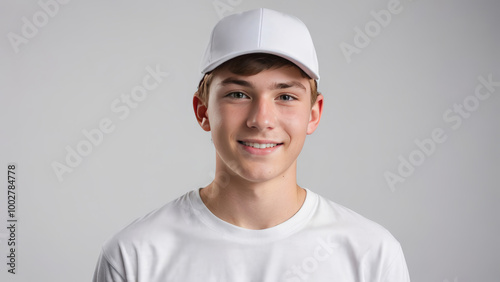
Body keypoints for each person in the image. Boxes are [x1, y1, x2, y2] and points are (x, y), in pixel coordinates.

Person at [92, 8, 410, 282]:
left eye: (286, 96)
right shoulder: (134, 256)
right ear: (203, 111)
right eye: (238, 94)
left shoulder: (372, 254)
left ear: (314, 115)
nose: (261, 119)